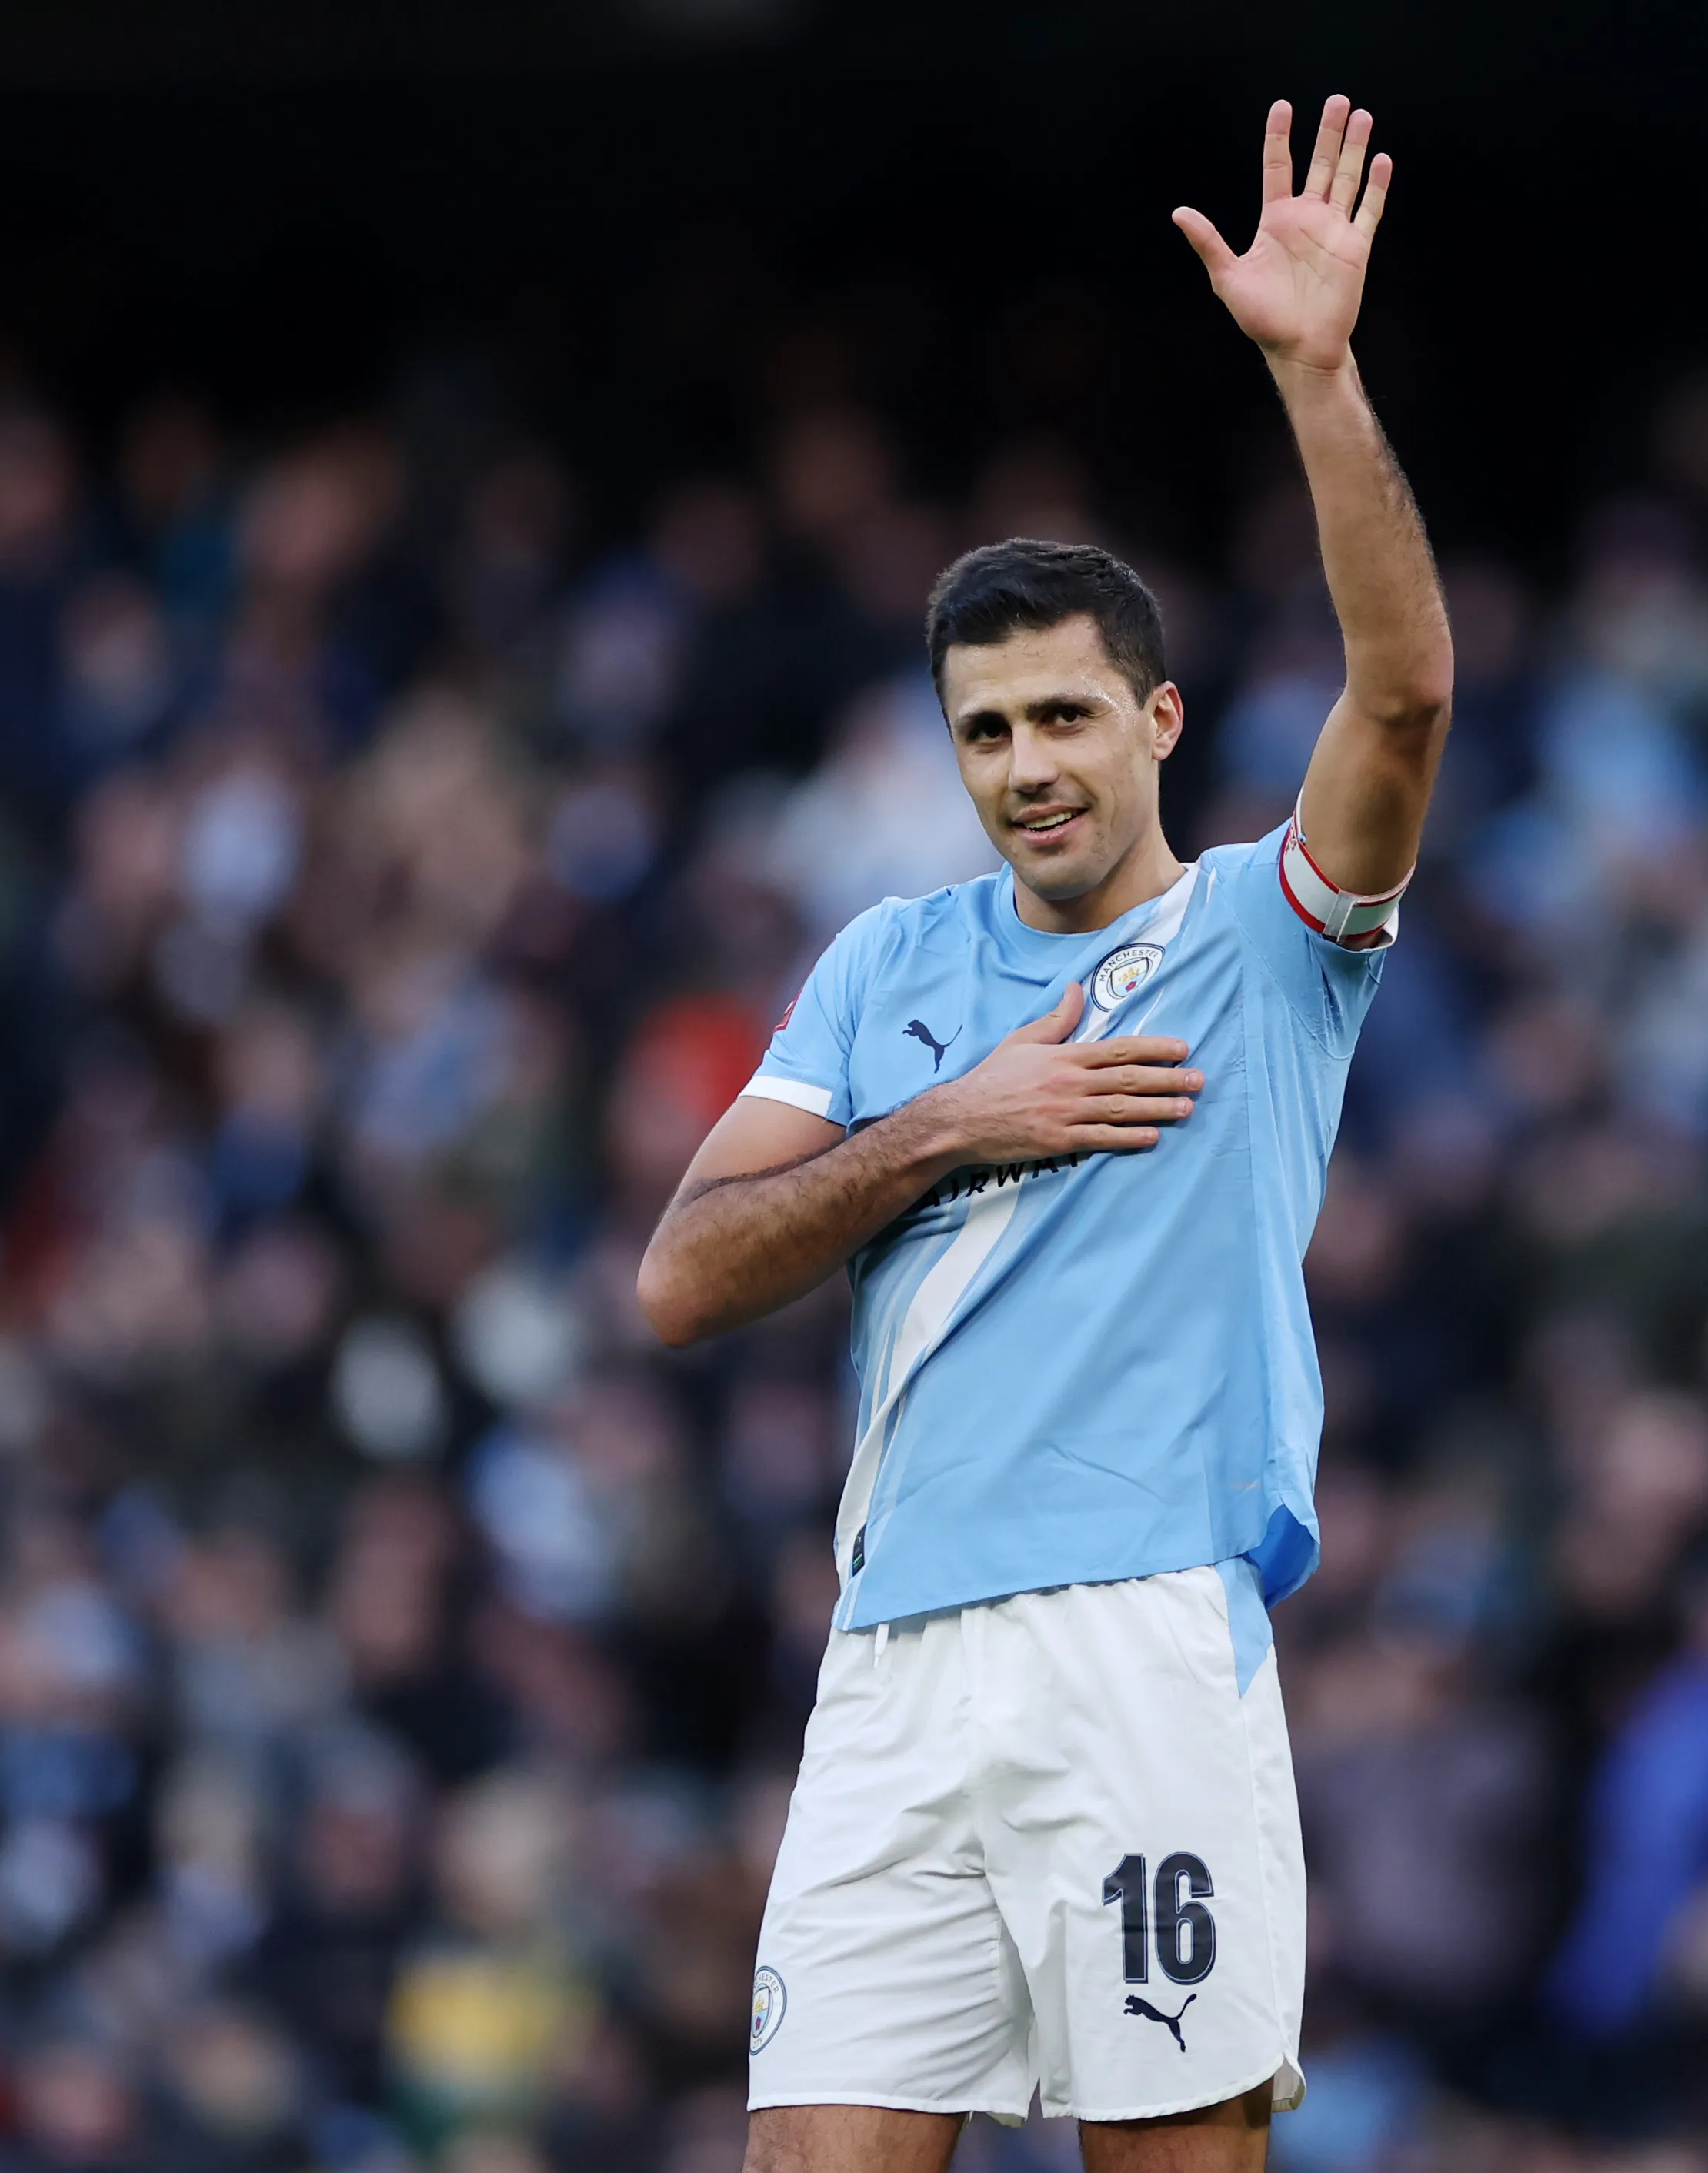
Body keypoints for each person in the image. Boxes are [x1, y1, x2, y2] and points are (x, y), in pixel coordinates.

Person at [638, 95, 1453, 2173]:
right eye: (985, 730)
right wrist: (953, 1123)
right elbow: (683, 1277)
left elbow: (1404, 699)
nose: (1026, 766)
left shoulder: (1263, 940)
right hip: (893, 1660)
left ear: (1159, 721)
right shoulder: (887, 966)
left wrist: (1318, 374)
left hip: (1139, 1646)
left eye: (1066, 715)